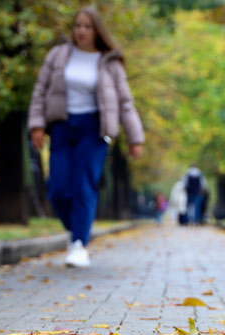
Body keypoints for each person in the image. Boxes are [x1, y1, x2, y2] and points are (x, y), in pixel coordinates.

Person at [28, 6, 144, 268]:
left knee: (84, 184)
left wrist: (135, 138)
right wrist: (36, 126)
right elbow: (40, 92)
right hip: (61, 125)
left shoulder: (109, 62)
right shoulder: (58, 55)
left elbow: (125, 102)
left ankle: (79, 243)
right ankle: (78, 230)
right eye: (77, 25)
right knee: (57, 187)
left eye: (87, 26)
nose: (81, 31)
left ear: (96, 30)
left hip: (94, 128)